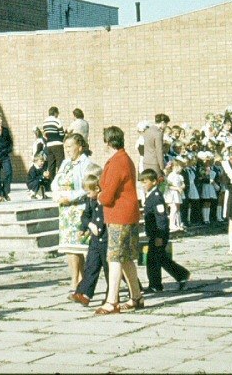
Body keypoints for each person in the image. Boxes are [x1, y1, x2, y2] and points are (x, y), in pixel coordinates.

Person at [95, 126, 145, 316]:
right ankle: (136, 296)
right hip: (128, 214)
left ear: (107, 142)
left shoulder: (117, 162)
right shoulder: (126, 159)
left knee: (114, 258)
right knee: (126, 258)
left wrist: (99, 196)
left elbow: (108, 195)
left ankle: (112, 300)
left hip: (118, 215)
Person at [52, 133, 95, 295]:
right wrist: (56, 195)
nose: (67, 150)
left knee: (77, 246)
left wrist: (69, 197)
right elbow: (56, 182)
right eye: (66, 147)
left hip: (78, 208)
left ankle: (78, 280)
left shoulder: (86, 164)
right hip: (65, 211)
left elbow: (86, 187)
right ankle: (78, 279)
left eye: (70, 146)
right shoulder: (65, 163)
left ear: (80, 147)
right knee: (69, 248)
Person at [139, 168, 190, 293]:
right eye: (142, 182)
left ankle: (155, 285)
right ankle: (182, 274)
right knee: (160, 258)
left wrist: (159, 236)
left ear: (154, 182)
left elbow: (161, 218)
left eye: (145, 182)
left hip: (158, 234)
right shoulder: (151, 195)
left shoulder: (156, 197)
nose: (143, 185)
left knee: (153, 259)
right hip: (154, 233)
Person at [69, 171, 108, 307]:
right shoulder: (90, 200)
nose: (87, 195)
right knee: (91, 266)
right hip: (95, 239)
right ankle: (85, 293)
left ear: (97, 189)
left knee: (109, 269)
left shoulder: (103, 200)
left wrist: (98, 226)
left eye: (89, 192)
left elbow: (104, 216)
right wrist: (85, 226)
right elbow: (85, 215)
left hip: (105, 238)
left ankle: (113, 295)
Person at [0, 113, 14, 199]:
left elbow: (10, 142)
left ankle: (5, 192)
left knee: (9, 172)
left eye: (1, 119)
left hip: (4, 155)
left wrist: (8, 149)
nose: (1, 121)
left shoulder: (5, 130)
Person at [141, 114, 168, 181]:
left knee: (148, 182)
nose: (166, 126)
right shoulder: (158, 133)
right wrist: (162, 167)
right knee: (158, 183)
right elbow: (159, 150)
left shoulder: (147, 130)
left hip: (146, 161)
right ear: (162, 122)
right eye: (166, 124)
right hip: (155, 162)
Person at [42, 107, 66, 181]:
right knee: (60, 163)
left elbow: (45, 134)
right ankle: (60, 180)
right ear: (55, 112)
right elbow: (61, 134)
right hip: (58, 144)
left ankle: (52, 182)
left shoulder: (44, 122)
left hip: (49, 145)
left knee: (51, 164)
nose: (58, 115)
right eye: (57, 113)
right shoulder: (57, 121)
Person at [164, 160, 185, 232]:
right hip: (172, 194)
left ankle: (178, 223)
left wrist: (182, 187)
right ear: (175, 167)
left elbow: (183, 184)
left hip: (178, 194)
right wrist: (177, 188)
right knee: (174, 208)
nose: (181, 168)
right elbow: (169, 186)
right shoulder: (171, 175)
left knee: (178, 209)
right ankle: (172, 225)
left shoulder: (180, 176)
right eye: (180, 167)